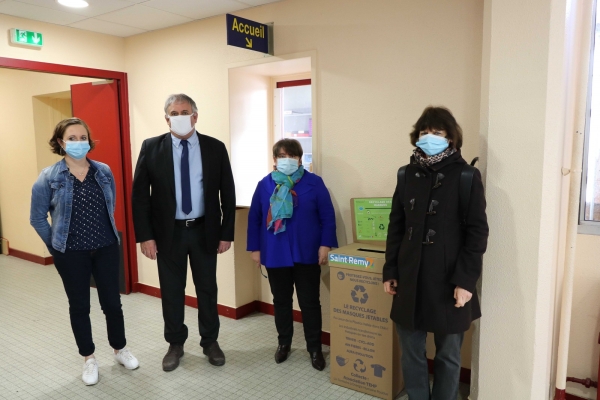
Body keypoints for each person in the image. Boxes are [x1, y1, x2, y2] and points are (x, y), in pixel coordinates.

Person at [382, 107, 489, 400]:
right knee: (411, 353)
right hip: (409, 277)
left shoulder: (467, 176)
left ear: (451, 138)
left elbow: (477, 233)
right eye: (424, 132)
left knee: (448, 356)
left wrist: (466, 282)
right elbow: (396, 226)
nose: (429, 137)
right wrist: (390, 270)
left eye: (437, 132)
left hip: (450, 281)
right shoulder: (406, 174)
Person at [30, 118, 139, 386]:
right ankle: (89, 358)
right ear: (60, 142)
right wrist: (56, 247)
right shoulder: (48, 177)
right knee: (79, 306)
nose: (79, 143)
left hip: (105, 247)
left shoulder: (103, 171)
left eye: (83, 138)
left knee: (112, 303)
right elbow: (38, 218)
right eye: (72, 138)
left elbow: (109, 206)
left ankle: (119, 349)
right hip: (71, 253)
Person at [132, 94, 235, 371]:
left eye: (184, 111)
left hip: (204, 231)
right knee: (172, 291)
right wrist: (145, 236)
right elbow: (140, 196)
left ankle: (210, 341)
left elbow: (227, 193)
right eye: (174, 112)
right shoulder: (151, 148)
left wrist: (226, 233)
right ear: (166, 118)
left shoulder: (214, 147)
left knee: (207, 289)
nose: (179, 116)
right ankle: (175, 343)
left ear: (195, 116)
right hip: (169, 234)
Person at [247, 139, 337, 371]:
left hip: (307, 251)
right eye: (281, 155)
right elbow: (255, 218)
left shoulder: (314, 183)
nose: (286, 159)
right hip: (275, 253)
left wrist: (325, 245)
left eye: (291, 155)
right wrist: (255, 249)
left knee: (309, 302)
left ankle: (314, 348)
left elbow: (327, 216)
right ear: (274, 159)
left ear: (299, 158)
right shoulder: (264, 185)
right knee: (281, 301)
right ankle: (284, 343)